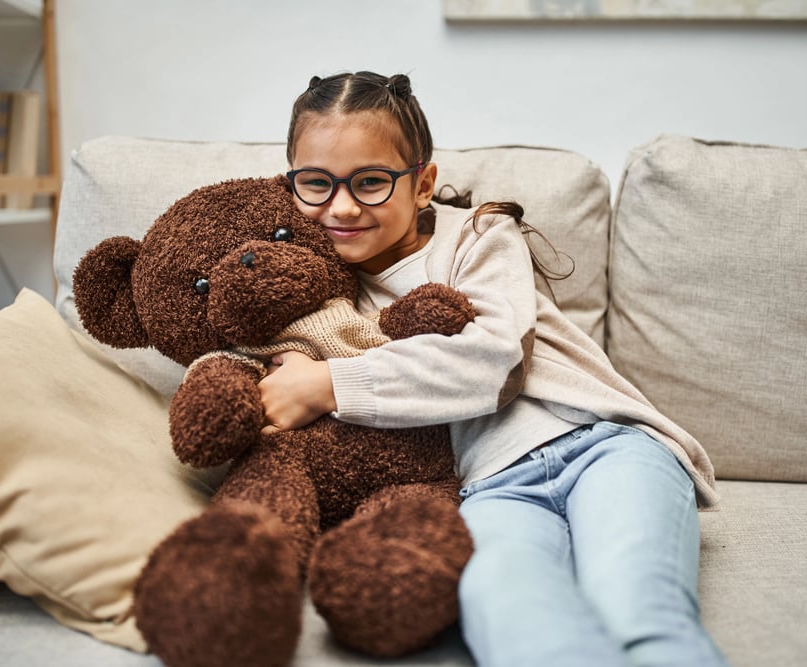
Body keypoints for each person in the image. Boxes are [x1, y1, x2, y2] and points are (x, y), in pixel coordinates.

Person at [258, 70, 728, 667]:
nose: (342, 206)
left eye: (371, 182)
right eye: (316, 184)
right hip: (492, 488)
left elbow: (495, 360)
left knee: (635, 609)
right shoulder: (312, 289)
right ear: (290, 185)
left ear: (422, 183)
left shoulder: (477, 236)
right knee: (509, 618)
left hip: (604, 446)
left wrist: (330, 384)